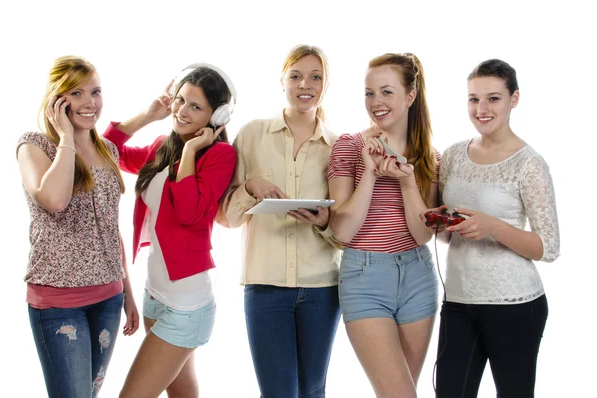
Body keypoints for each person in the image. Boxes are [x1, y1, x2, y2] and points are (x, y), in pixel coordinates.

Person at [428, 59, 560, 397]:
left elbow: (548, 248)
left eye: (493, 98)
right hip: (457, 301)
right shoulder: (455, 155)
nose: (481, 109)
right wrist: (444, 221)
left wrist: (493, 226)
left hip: (514, 305)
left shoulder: (529, 164)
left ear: (514, 99)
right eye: (473, 99)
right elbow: (447, 235)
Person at [103, 63, 237, 397]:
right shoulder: (163, 144)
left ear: (216, 117)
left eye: (196, 106)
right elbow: (107, 153)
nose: (182, 111)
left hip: (187, 305)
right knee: (182, 393)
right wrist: (148, 116)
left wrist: (191, 151)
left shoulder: (220, 155)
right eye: (180, 100)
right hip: (155, 295)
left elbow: (190, 212)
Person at [217, 44, 341, 398]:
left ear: (326, 85)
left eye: (316, 77)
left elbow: (347, 229)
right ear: (282, 81)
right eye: (296, 75)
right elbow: (227, 216)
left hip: (322, 288)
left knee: (313, 391)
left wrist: (323, 221)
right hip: (265, 285)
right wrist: (250, 187)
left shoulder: (339, 146)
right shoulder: (252, 135)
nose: (306, 84)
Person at [16, 55, 139, 398]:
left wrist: (127, 291)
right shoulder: (35, 145)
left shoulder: (109, 150)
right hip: (57, 303)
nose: (90, 103)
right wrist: (66, 137)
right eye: (77, 93)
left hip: (108, 298)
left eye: (96, 92)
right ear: (57, 100)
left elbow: (112, 229)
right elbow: (54, 200)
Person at [328, 53, 440, 398]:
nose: (376, 102)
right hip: (364, 277)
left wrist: (407, 182)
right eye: (369, 93)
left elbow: (422, 233)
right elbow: (341, 232)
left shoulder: (429, 157)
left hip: (418, 276)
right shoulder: (349, 146)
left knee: (405, 390)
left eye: (386, 92)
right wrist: (371, 173)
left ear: (410, 96)